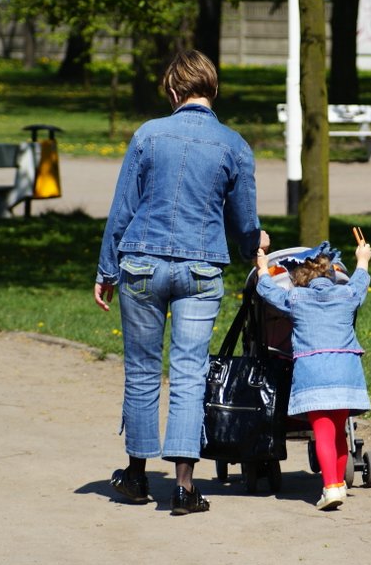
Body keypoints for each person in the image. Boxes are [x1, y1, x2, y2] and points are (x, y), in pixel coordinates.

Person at [94, 49, 269, 515]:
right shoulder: (234, 144)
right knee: (190, 372)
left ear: (173, 91)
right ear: (212, 89)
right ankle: (185, 488)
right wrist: (255, 245)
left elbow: (122, 209)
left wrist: (106, 269)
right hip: (200, 270)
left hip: (142, 267)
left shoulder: (148, 135)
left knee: (143, 370)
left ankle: (135, 474)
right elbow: (243, 219)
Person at [254, 240, 371, 510]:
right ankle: (340, 483)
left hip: (314, 375)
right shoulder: (346, 296)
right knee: (340, 434)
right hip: (345, 373)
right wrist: (362, 258)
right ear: (330, 274)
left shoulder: (296, 299)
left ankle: (330, 487)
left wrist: (262, 269)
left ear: (298, 278)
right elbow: (359, 283)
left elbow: (269, 293)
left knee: (322, 433)